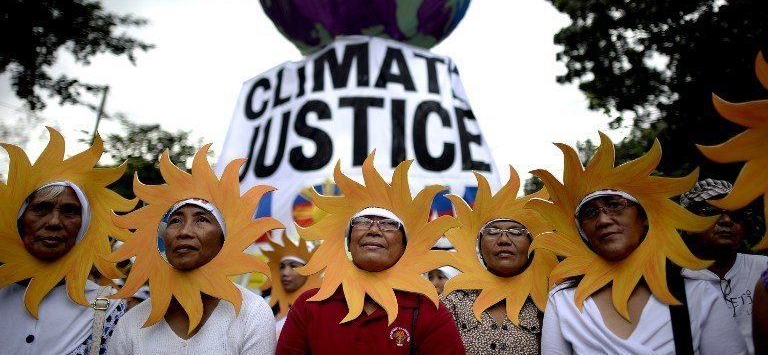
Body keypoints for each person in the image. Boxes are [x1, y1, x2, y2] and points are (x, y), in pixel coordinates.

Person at [530, 133, 748, 354]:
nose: (603, 220)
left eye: (615, 205)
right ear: (582, 232)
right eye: (590, 212)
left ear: (644, 218)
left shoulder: (698, 295)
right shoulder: (565, 302)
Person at [276, 155, 465, 354]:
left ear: (404, 245)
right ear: (348, 241)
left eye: (388, 224)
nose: (374, 230)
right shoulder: (309, 307)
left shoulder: (429, 312)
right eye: (363, 222)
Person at [107, 146, 279, 355]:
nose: (185, 231)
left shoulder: (252, 314)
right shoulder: (131, 324)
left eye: (202, 220)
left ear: (223, 239)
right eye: (175, 221)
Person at [0, 130, 132, 355]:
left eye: (70, 211)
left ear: (84, 225)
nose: (54, 222)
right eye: (41, 209)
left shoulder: (106, 306)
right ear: (20, 219)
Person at [440, 169, 557, 355]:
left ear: (533, 243)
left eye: (516, 232)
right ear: (479, 243)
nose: (504, 240)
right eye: (493, 231)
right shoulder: (451, 302)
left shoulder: (552, 302)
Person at [680, 179, 768, 354]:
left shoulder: (764, 270)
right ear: (687, 223)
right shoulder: (671, 285)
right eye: (712, 212)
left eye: (736, 215)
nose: (727, 220)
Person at [262, 231, 320, 334]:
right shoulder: (264, 306)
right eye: (282, 267)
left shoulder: (320, 309)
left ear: (310, 271)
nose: (285, 273)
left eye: (293, 266)